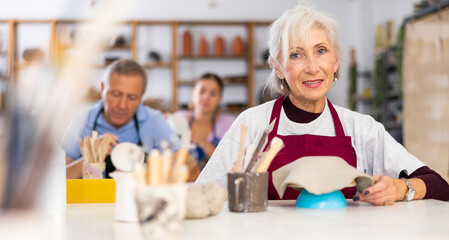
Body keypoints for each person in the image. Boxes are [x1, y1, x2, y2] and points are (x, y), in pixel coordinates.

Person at [196, 2, 449, 205]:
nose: (312, 67)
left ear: (336, 60)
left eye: (321, 51)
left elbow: (438, 185)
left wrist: (400, 187)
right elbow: (203, 196)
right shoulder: (252, 124)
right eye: (296, 54)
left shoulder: (360, 128)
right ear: (278, 67)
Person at [61, 59, 182, 179]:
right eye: (116, 94)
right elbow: (56, 180)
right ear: (103, 89)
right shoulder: (82, 122)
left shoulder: (154, 121)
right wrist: (90, 158)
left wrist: (148, 171)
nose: (122, 105)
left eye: (132, 97)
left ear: (141, 97)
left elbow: (188, 166)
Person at [173, 73, 235, 170]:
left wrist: (204, 144)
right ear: (193, 93)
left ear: (220, 99)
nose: (206, 97)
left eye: (213, 94)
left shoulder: (228, 124)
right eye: (202, 91)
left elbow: (231, 162)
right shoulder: (178, 119)